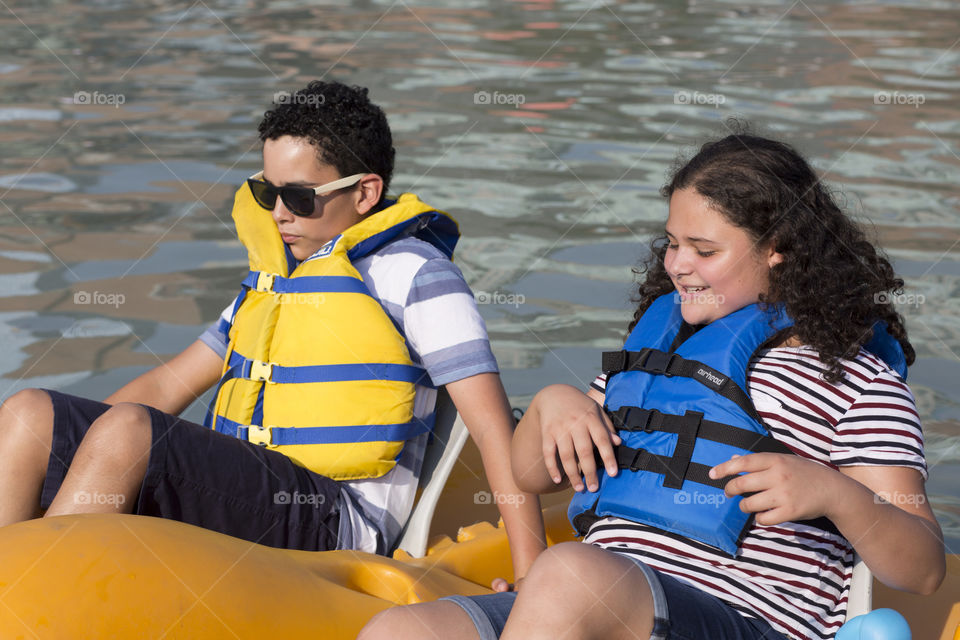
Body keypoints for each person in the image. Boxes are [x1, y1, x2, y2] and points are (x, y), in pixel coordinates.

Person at [359, 126, 945, 640]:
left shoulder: (857, 382)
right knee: (401, 628)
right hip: (598, 598)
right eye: (672, 242)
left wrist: (834, 493)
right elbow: (534, 476)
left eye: (704, 249)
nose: (677, 264)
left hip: (746, 619)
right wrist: (550, 407)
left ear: (779, 251)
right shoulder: (650, 359)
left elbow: (921, 569)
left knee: (567, 574)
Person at [0, 81, 546, 581]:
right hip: (245, 492)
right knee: (29, 414)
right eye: (269, 193)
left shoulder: (418, 275)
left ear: (365, 193)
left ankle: (31, 594)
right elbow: (166, 388)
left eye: (301, 197)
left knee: (130, 433)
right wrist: (79, 458)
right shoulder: (274, 283)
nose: (281, 214)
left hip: (334, 521)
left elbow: (494, 432)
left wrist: (530, 578)